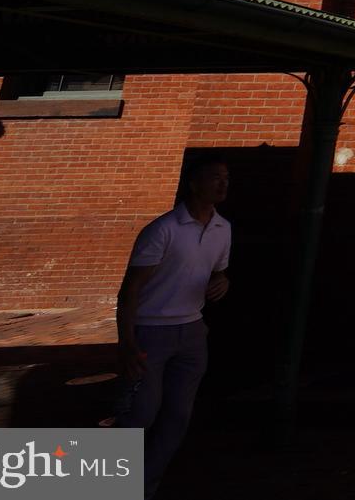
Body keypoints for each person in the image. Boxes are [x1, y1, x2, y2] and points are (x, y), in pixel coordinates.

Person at [116, 156, 231, 496]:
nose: (223, 184)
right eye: (215, 177)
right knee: (141, 414)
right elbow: (130, 289)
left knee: (177, 418)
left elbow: (218, 273)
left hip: (192, 332)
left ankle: (144, 486)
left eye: (226, 178)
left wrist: (223, 283)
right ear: (194, 183)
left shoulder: (223, 229)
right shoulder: (163, 229)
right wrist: (127, 342)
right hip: (152, 330)